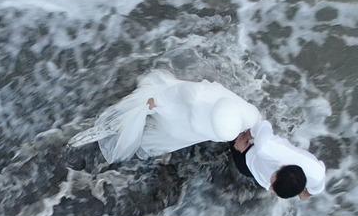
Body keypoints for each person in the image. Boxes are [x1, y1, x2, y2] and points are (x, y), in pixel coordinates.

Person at [70, 69, 261, 163]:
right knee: (142, 117)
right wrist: (158, 102)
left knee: (164, 131)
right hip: (180, 111)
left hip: (190, 125)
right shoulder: (197, 96)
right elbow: (179, 94)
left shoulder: (248, 118)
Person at [232, 120, 325, 200]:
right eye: (272, 185)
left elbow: (310, 193)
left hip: (261, 174)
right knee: (231, 136)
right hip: (248, 157)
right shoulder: (266, 148)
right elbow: (262, 125)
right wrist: (244, 138)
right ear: (282, 167)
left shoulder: (317, 175)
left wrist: (304, 193)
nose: (271, 190)